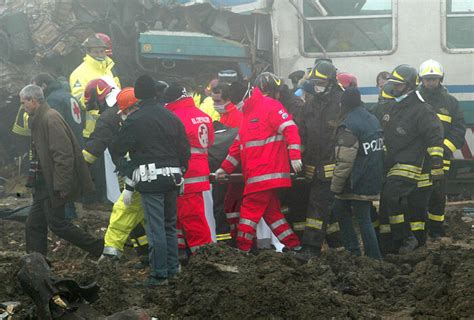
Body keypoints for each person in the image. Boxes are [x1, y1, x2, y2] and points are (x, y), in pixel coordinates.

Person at [113, 75, 190, 287]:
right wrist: (181, 170)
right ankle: (173, 269)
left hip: (150, 179)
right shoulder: (171, 117)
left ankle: (159, 275)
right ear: (157, 92)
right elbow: (184, 149)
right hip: (173, 178)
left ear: (137, 94)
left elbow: (119, 149)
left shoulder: (134, 120)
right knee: (169, 226)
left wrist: (129, 171)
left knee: (155, 228)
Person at [215, 74, 302, 253]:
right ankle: (294, 245)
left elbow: (290, 128)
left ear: (247, 95)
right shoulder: (247, 115)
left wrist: (295, 156)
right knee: (273, 215)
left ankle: (242, 250)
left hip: (265, 174)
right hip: (257, 176)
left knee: (248, 213)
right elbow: (238, 147)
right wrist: (224, 169)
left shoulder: (269, 105)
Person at [20, 84, 103, 258]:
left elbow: (63, 155)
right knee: (34, 224)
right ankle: (36, 261)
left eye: (23, 103)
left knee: (57, 224)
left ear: (33, 101)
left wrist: (62, 184)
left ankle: (98, 248)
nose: (22, 107)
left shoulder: (50, 118)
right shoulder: (40, 118)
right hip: (43, 183)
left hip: (52, 183)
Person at [374, 64, 444, 254]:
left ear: (410, 86)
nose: (394, 88)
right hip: (392, 162)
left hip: (411, 163)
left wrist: (437, 164)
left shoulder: (422, 110)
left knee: (392, 196)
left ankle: (407, 238)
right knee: (403, 206)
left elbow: (435, 137)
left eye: (398, 85)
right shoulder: (394, 106)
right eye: (393, 85)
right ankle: (395, 245)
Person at [296, 60, 343, 260]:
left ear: (331, 82)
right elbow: (302, 133)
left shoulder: (341, 102)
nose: (318, 85)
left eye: (322, 82)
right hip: (312, 166)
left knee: (317, 204)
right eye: (315, 81)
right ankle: (338, 245)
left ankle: (311, 247)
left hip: (332, 166)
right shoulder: (311, 104)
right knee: (323, 207)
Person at [330, 88, 383, 259]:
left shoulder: (349, 125)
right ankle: (365, 255)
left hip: (355, 180)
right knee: (353, 213)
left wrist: (335, 187)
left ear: (343, 104)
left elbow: (344, 161)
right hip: (371, 177)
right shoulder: (372, 118)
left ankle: (365, 255)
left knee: (360, 218)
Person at [163, 83, 215, 254]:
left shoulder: (173, 117)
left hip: (185, 174)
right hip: (200, 173)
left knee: (191, 218)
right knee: (184, 215)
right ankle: (180, 251)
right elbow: (211, 143)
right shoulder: (203, 115)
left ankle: (202, 255)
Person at [418, 59, 466, 239]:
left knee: (437, 196)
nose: (431, 82)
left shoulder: (450, 102)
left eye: (434, 79)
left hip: (441, 159)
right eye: (428, 78)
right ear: (421, 79)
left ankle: (436, 231)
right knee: (418, 195)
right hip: (418, 158)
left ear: (441, 79)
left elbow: (458, 130)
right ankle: (419, 231)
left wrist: (444, 149)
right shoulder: (415, 99)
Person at [69, 34, 121, 140]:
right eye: (96, 52)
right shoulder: (79, 73)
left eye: (102, 51)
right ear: (88, 52)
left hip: (113, 125)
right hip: (92, 130)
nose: (100, 55)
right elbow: (78, 100)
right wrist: (97, 99)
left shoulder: (110, 69)